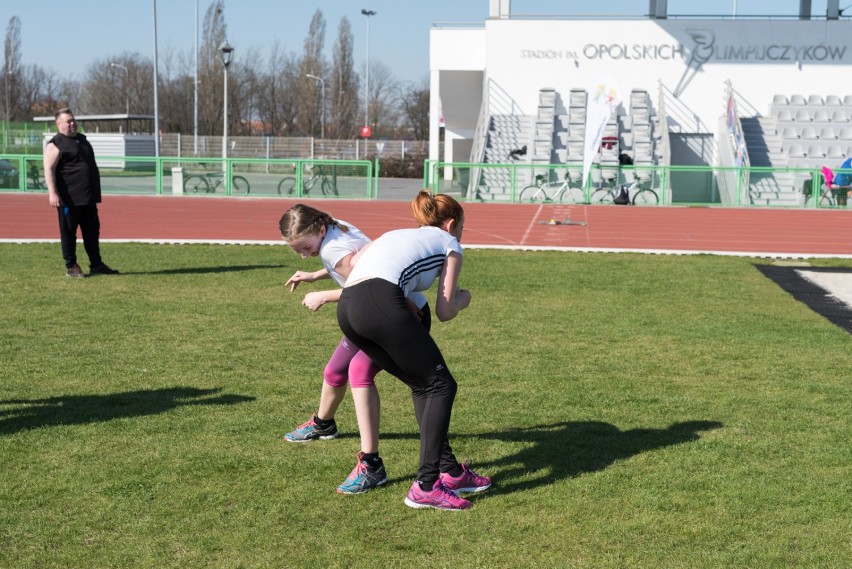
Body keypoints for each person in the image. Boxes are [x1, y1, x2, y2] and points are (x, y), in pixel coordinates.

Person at [337, 190, 491, 510]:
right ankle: (425, 486)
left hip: (348, 306)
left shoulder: (398, 234)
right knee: (441, 384)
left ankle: (449, 471)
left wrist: (397, 296)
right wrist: (465, 298)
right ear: (451, 224)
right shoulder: (450, 244)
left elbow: (357, 266)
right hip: (378, 301)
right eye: (461, 228)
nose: (461, 235)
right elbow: (446, 310)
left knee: (425, 385)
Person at [278, 204, 430, 494]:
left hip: (399, 317)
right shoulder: (336, 228)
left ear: (320, 230)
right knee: (335, 370)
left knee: (359, 372)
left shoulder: (335, 246)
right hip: (384, 312)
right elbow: (357, 268)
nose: (303, 254)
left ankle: (372, 465)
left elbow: (368, 288)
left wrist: (323, 295)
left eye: (305, 247)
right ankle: (324, 424)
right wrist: (313, 274)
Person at [44, 108, 118, 278]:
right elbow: (48, 169)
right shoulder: (55, 144)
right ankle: (71, 266)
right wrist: (52, 193)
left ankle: (96, 265)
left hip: (88, 197)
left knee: (92, 232)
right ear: (58, 124)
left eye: (73, 120)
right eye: (68, 121)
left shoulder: (82, 139)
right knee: (69, 233)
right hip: (69, 198)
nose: (72, 124)